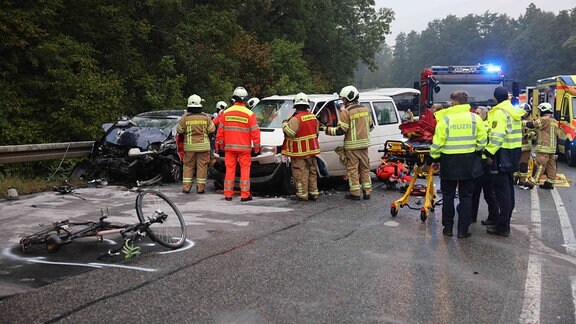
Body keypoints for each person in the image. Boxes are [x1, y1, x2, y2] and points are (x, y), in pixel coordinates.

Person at [430, 90, 486, 238]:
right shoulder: (475, 119)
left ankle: (447, 228)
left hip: (449, 163)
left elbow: (438, 143)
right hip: (469, 162)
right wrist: (476, 152)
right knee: (466, 197)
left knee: (448, 196)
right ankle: (463, 230)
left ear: (453, 102)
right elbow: (482, 141)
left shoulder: (446, 119)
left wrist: (434, 158)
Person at [484, 86, 524, 237]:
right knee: (509, 190)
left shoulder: (500, 113)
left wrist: (489, 152)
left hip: (502, 153)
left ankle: (503, 227)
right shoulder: (513, 111)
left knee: (502, 193)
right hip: (513, 152)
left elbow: (498, 135)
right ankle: (505, 221)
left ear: (495, 98)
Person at [324, 85, 373, 200]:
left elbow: (341, 130)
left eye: (343, 99)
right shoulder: (365, 109)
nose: (342, 101)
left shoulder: (346, 112)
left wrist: (327, 130)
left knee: (353, 170)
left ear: (347, 99)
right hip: (364, 145)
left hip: (352, 147)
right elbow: (371, 126)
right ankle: (367, 192)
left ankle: (355, 193)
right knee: (365, 168)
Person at [216, 86, 261, 201]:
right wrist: (256, 149)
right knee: (245, 170)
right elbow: (255, 133)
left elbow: (220, 132)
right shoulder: (249, 114)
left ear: (234, 99)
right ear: (245, 99)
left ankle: (228, 194)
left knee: (229, 170)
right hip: (244, 149)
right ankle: (245, 195)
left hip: (229, 148)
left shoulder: (226, 113)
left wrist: (220, 146)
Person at [281, 92, 321, 201]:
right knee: (312, 172)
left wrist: (284, 124)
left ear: (296, 106)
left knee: (300, 173)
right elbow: (316, 133)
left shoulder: (296, 119)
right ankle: (314, 193)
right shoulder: (313, 117)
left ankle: (302, 194)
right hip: (312, 151)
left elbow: (290, 133)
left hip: (299, 153)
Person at [177, 94, 216, 194]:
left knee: (188, 166)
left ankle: (186, 187)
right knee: (202, 166)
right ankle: (200, 188)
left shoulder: (184, 118)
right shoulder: (206, 117)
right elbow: (212, 131)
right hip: (203, 146)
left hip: (189, 147)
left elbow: (179, 132)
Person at [470, 106, 500, 225]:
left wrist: (489, 157)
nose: (476, 115)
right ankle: (472, 216)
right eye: (475, 113)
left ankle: (493, 217)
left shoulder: (486, 125)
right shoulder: (479, 124)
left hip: (485, 163)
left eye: (478, 113)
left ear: (484, 114)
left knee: (489, 193)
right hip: (479, 162)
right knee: (475, 192)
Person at [522, 102, 559, 190]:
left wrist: (521, 122)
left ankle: (532, 182)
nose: (539, 112)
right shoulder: (554, 121)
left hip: (544, 147)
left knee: (540, 165)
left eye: (539, 110)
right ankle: (549, 183)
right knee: (551, 166)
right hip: (552, 148)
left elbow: (532, 125)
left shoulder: (544, 119)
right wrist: (532, 134)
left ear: (542, 110)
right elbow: (542, 131)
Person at [515, 103, 536, 185]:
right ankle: (514, 178)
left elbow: (535, 131)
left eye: (526, 111)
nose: (524, 113)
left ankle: (522, 179)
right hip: (516, 145)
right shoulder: (516, 119)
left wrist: (530, 134)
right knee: (515, 164)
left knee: (524, 164)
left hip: (526, 146)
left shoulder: (531, 121)